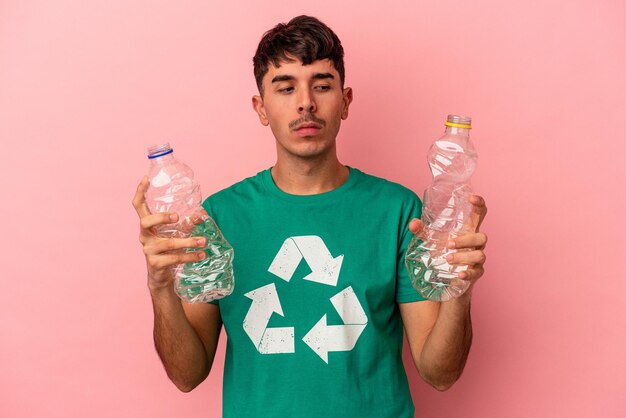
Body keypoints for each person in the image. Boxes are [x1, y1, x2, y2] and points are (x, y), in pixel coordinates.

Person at [132, 15, 488, 418]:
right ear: (261, 108)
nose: (306, 102)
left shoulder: (399, 212)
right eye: (285, 88)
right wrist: (159, 285)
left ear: (346, 101)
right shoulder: (216, 218)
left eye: (322, 85)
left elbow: (439, 373)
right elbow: (187, 375)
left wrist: (460, 289)